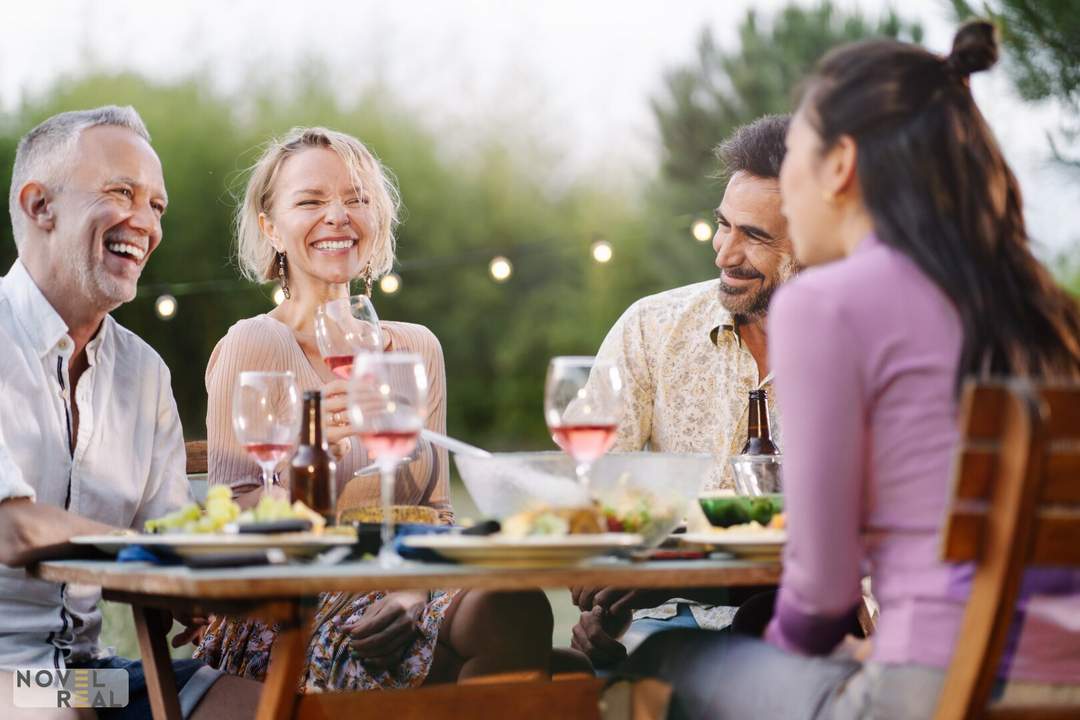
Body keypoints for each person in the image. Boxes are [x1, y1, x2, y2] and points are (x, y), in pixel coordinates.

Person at [623, 21, 1080, 719]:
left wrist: (788, 646)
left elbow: (822, 590)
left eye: (797, 158)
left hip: (933, 689)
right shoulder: (1047, 306)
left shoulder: (827, 303)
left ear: (839, 165)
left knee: (660, 664)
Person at [194, 127, 553, 691]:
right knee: (518, 644)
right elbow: (235, 510)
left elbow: (432, 510)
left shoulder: (415, 351)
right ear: (271, 228)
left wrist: (409, 586)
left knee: (518, 607)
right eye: (311, 201)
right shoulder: (254, 344)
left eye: (356, 198)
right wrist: (312, 467)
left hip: (406, 581)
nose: (338, 214)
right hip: (292, 602)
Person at [0, 106, 261, 719]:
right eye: (122, 192)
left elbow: (163, 536)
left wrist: (191, 586)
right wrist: (151, 555)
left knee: (269, 709)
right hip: (8, 677)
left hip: (92, 677)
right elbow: (12, 529)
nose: (144, 223)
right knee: (58, 708)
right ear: (40, 206)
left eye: (157, 206)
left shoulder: (144, 372)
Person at [569, 116, 796, 668]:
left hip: (801, 629)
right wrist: (610, 585)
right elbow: (597, 492)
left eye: (755, 237)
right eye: (723, 225)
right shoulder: (652, 327)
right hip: (657, 623)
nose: (724, 252)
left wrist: (685, 573)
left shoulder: (861, 351)